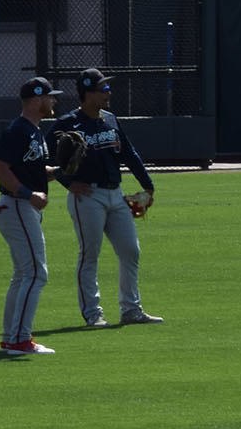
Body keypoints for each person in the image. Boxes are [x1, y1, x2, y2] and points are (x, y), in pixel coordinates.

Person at [53, 68, 162, 329]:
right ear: (87, 93)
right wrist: (69, 182)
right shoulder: (68, 123)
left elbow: (130, 153)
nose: (108, 92)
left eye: (107, 88)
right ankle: (93, 313)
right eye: (102, 89)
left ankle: (131, 309)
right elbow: (46, 158)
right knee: (90, 254)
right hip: (87, 196)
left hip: (115, 194)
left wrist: (148, 184)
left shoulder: (111, 119)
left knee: (130, 250)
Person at [0, 76, 60, 357]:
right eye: (49, 96)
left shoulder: (34, 131)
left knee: (23, 274)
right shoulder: (18, 130)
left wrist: (61, 171)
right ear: (36, 100)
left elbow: (29, 169)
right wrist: (27, 194)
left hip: (19, 207)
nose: (53, 101)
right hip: (17, 206)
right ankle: (20, 341)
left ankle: (12, 339)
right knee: (35, 273)